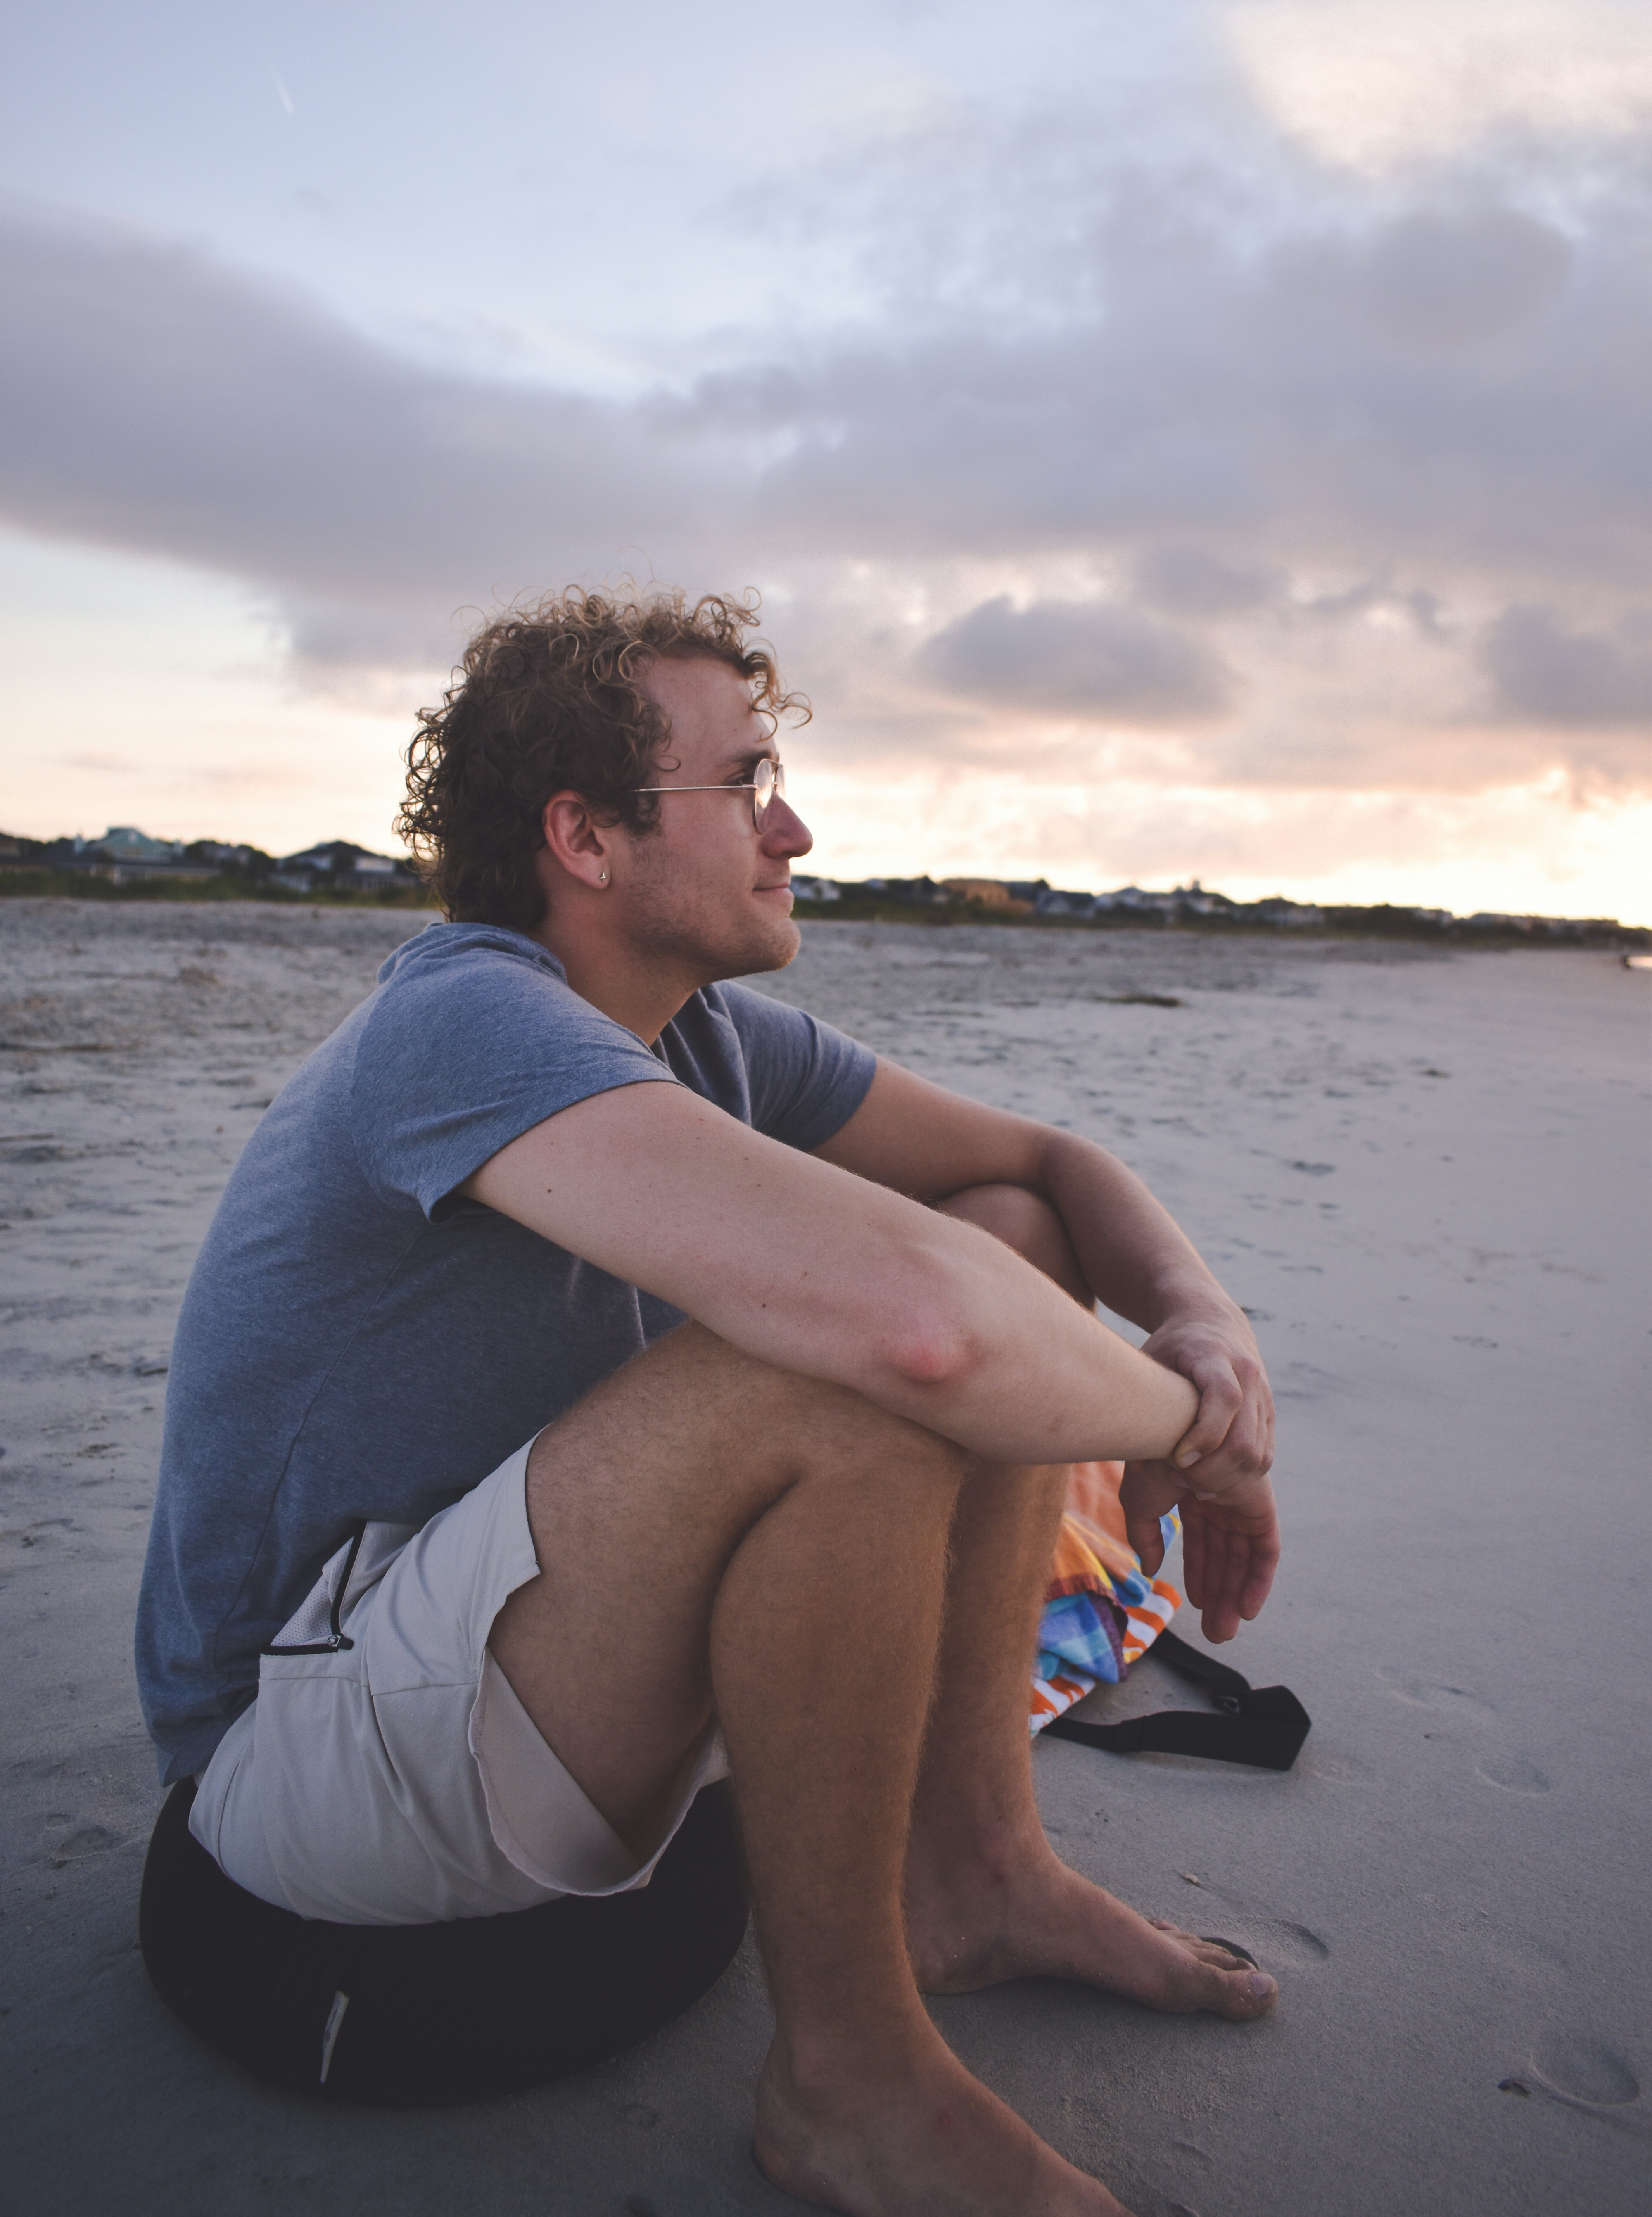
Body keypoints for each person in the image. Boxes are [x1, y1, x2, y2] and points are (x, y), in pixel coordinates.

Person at [136, 587, 1281, 2217]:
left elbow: (1043, 1169)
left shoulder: (706, 1036)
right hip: (301, 1759)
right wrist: (1200, 1444)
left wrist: (1200, 1323)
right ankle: (850, 2092)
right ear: (585, 837)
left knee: (1000, 1236)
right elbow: (921, 1336)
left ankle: (973, 1872)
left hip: (508, 1668)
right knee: (849, 1369)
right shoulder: (459, 1019)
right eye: (743, 783)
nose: (794, 826)